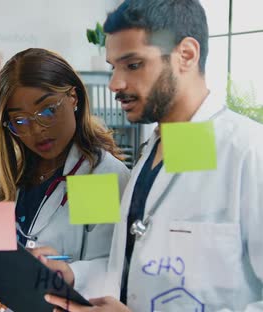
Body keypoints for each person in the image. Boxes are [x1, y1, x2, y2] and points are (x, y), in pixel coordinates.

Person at [45, 0, 263, 311]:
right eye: (113, 66)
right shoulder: (155, 153)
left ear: (186, 55)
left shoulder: (249, 152)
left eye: (133, 65)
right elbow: (135, 269)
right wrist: (73, 274)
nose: (115, 84)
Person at [0, 48, 130, 311]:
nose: (36, 130)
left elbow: (108, 268)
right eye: (20, 120)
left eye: (47, 111)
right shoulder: (14, 179)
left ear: (73, 97)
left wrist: (67, 273)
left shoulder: (94, 177)